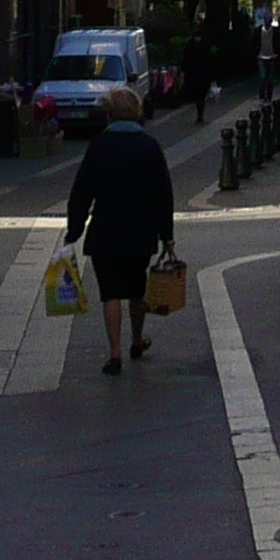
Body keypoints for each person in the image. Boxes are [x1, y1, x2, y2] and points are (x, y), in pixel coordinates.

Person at [64, 87, 175, 376]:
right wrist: (166, 233)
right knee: (137, 289)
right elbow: (163, 192)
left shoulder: (98, 146)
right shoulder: (149, 146)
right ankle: (137, 339)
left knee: (110, 293)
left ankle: (114, 354)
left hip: (105, 229)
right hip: (141, 230)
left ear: (109, 113)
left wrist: (74, 229)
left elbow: (82, 191)